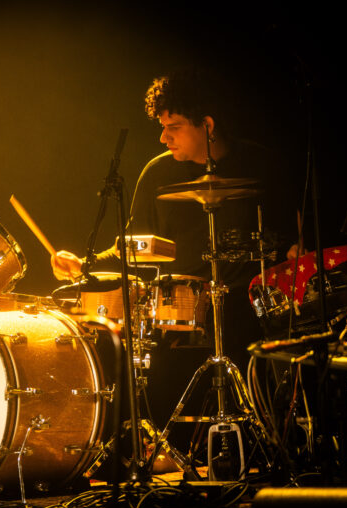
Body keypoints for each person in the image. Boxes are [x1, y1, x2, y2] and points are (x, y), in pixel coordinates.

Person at [51, 69, 297, 453]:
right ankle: (171, 452)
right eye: (162, 126)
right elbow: (134, 247)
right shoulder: (158, 173)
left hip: (253, 308)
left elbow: (291, 238)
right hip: (181, 312)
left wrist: (297, 249)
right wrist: (85, 265)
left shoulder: (263, 166)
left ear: (208, 125)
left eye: (174, 126)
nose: (163, 137)